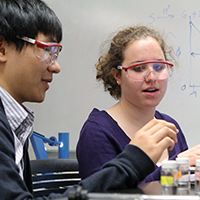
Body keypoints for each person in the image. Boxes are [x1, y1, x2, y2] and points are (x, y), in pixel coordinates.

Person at [0, 0, 179, 199]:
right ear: (2, 48)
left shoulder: (15, 122)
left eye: (159, 67)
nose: (56, 67)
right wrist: (137, 161)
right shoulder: (98, 130)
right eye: (46, 50)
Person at [76, 25, 200, 182]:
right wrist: (172, 169)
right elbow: (104, 194)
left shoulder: (170, 125)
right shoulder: (98, 131)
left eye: (159, 67)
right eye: (139, 68)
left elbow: (182, 191)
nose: (151, 77)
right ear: (117, 76)